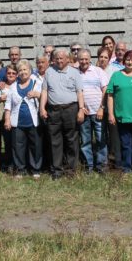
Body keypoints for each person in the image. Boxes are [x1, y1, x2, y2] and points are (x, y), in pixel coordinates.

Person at [40, 49, 85, 179]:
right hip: (53, 110)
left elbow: (79, 92)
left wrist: (81, 109)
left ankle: (71, 170)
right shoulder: (49, 72)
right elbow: (44, 91)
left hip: (71, 109)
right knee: (55, 141)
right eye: (57, 58)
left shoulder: (75, 72)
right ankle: (57, 171)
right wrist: (42, 108)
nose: (59, 61)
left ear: (67, 59)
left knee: (72, 140)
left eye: (62, 58)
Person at [4, 60, 43, 178]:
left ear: (30, 71)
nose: (23, 72)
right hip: (17, 122)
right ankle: (20, 169)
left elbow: (46, 98)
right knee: (18, 147)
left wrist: (38, 95)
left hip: (34, 121)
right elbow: (8, 105)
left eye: (25, 69)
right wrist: (7, 119)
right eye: (20, 70)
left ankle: (36, 169)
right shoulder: (12, 87)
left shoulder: (37, 83)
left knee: (35, 146)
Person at [77, 49, 108, 173]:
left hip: (98, 111)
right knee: (85, 141)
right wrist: (80, 108)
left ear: (90, 59)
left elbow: (105, 90)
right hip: (84, 113)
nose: (84, 61)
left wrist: (102, 107)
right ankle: (88, 167)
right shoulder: (75, 73)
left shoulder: (98, 71)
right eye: (81, 59)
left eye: (86, 59)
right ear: (78, 60)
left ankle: (101, 166)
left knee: (101, 139)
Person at [0, 64, 17, 172]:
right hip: (1, 118)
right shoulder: (1, 86)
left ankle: (14, 163)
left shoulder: (19, 85)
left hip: (15, 118)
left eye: (13, 73)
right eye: (9, 73)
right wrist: (0, 98)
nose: (11, 75)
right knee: (4, 142)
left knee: (14, 142)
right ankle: (3, 163)